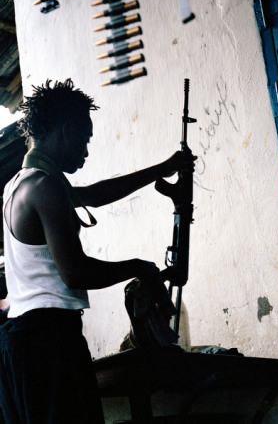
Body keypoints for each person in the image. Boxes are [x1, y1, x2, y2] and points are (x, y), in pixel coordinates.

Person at [0, 79, 194, 424]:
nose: (86, 151)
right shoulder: (44, 187)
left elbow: (95, 194)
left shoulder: (23, 183)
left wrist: (161, 170)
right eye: (85, 140)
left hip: (24, 345)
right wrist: (140, 266)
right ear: (67, 130)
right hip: (49, 342)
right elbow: (76, 273)